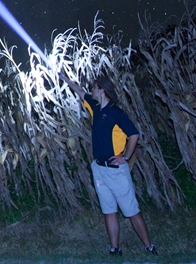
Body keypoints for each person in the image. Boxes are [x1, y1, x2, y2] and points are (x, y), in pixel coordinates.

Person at [61, 72, 157, 256]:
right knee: (109, 210)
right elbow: (80, 91)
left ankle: (149, 246)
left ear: (102, 90)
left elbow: (134, 135)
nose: (92, 90)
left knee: (131, 211)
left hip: (116, 170)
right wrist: (64, 78)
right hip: (99, 168)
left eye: (95, 87)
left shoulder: (116, 113)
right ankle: (115, 248)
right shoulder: (96, 108)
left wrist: (126, 157)